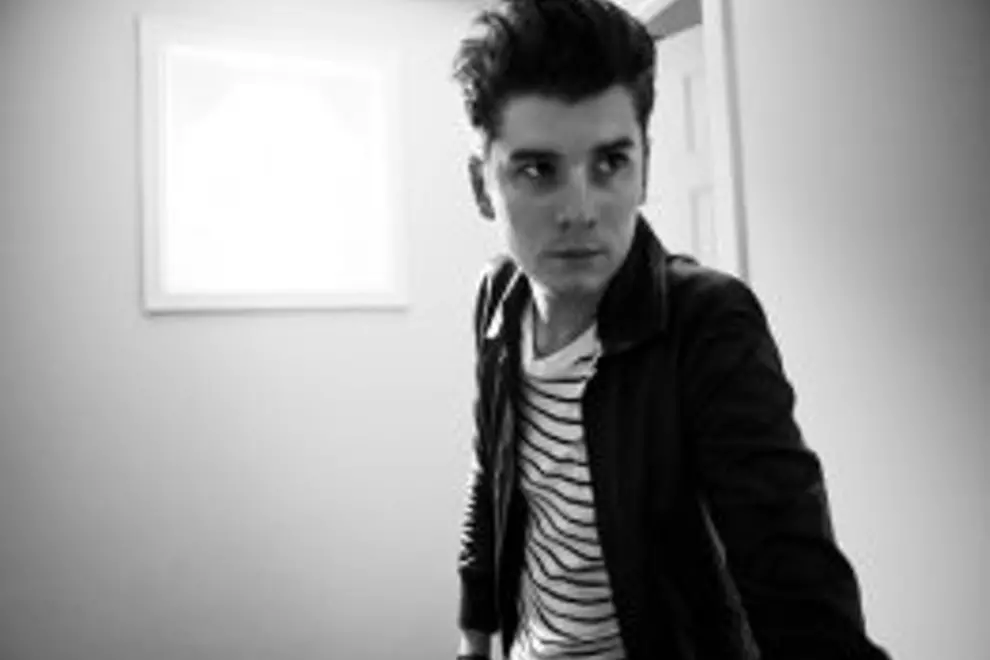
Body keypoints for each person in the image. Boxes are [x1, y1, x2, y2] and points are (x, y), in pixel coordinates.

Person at [450, 1, 891, 659]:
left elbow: (795, 583)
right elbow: (491, 473)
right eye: (538, 170)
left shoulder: (708, 322)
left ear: (645, 168)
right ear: (481, 186)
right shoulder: (497, 297)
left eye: (610, 163)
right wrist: (472, 640)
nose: (580, 210)